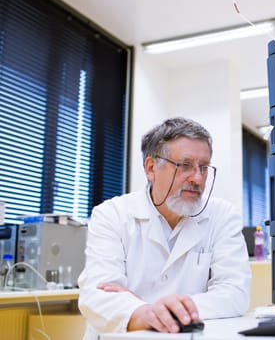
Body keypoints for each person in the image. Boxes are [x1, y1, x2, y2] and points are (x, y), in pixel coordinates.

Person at [78, 117, 252, 339]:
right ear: (151, 168)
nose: (198, 178)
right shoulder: (111, 214)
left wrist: (148, 308)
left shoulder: (222, 215)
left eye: (204, 167)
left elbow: (234, 294)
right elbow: (97, 296)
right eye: (185, 165)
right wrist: (151, 312)